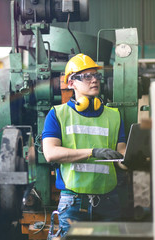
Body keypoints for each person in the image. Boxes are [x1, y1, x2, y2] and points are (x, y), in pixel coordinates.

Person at [42, 53, 127, 237]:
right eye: (86, 76)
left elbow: (121, 153)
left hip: (108, 200)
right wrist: (93, 152)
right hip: (74, 201)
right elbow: (50, 153)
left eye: (96, 75)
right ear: (71, 83)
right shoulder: (57, 114)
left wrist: (131, 159)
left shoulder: (114, 115)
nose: (94, 80)